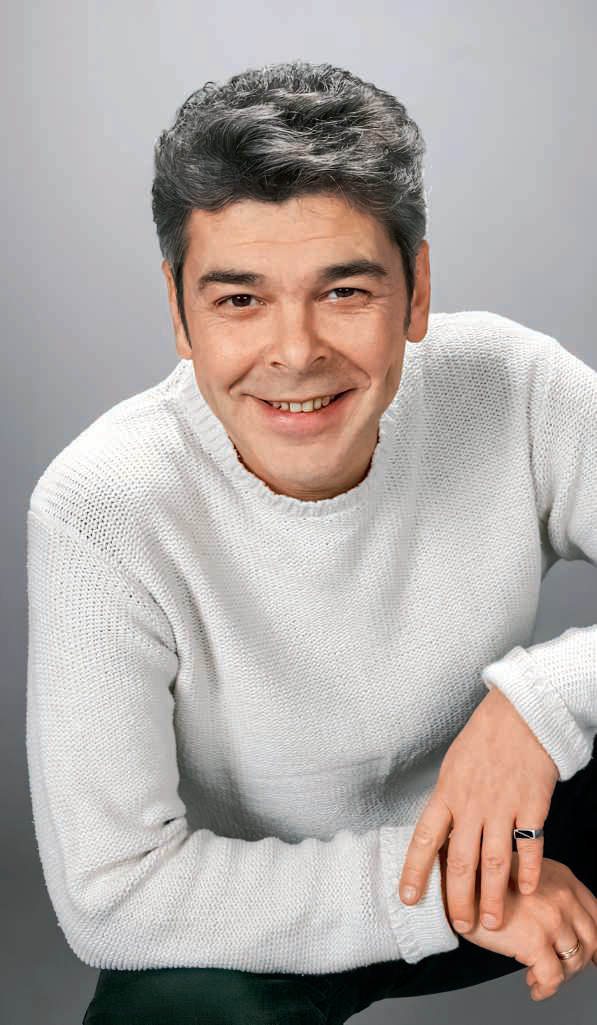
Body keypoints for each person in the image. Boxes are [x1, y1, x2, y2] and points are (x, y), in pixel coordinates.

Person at [24, 60, 597, 1025]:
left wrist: (540, 705)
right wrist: (435, 884)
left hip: (522, 829)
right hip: (264, 906)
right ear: (179, 312)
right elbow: (113, 892)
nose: (294, 352)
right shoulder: (100, 508)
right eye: (238, 300)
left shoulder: (510, 384)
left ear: (416, 291)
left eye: (344, 292)